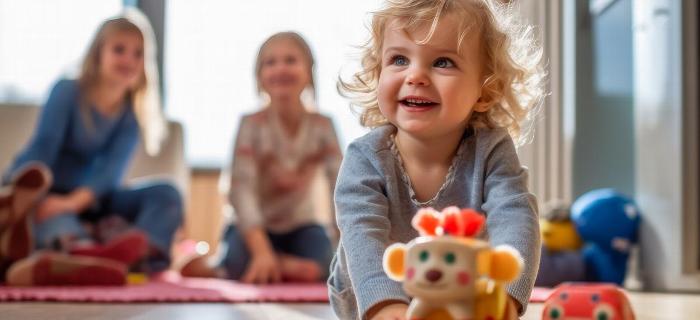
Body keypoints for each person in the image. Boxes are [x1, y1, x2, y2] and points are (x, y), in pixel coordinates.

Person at [328, 0, 546, 319]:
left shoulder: (492, 150)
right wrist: (387, 308)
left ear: (485, 90)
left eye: (443, 62)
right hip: (367, 296)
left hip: (460, 297)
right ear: (377, 73)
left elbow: (515, 219)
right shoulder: (365, 157)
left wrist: (505, 299)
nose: (415, 75)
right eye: (399, 59)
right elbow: (362, 235)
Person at [0, 9, 183, 285]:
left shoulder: (132, 114)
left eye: (138, 53)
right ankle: (82, 251)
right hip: (44, 193)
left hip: (92, 201)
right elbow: (43, 150)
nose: (129, 60)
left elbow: (110, 175)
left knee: (167, 194)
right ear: (98, 53)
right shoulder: (67, 91)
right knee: (60, 226)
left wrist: (72, 204)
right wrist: (31, 198)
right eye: (119, 49)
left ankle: (135, 253)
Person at [181, 32, 342, 284]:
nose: (281, 68)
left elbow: (340, 187)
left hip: (300, 226)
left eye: (290, 60)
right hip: (253, 229)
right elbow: (240, 190)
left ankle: (256, 266)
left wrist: (346, 243)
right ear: (259, 77)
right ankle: (244, 263)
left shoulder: (324, 126)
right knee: (239, 259)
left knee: (327, 262)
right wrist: (262, 251)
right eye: (270, 62)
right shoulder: (250, 125)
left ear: (310, 72)